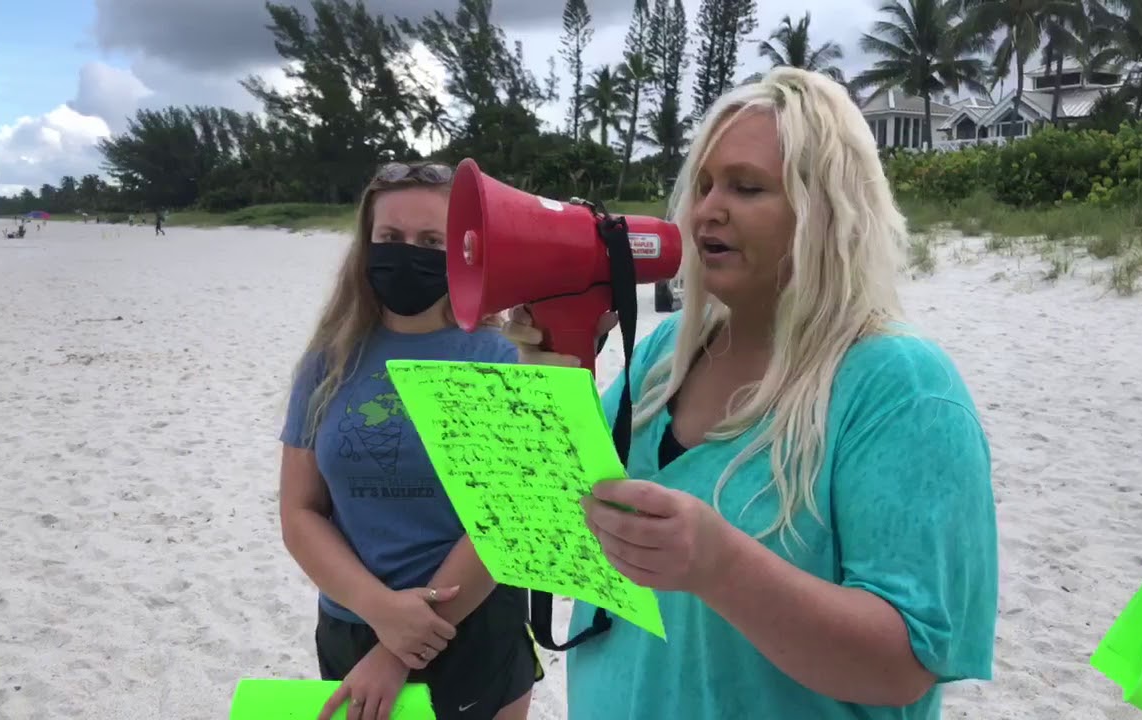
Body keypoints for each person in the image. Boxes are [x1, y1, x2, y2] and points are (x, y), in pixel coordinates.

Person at [502, 67, 998, 720]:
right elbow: (550, 533)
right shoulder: (666, 353)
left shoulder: (900, 387)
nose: (708, 207)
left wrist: (720, 566)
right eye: (703, 184)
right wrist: (549, 375)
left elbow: (908, 661)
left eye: (746, 186)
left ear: (826, 209)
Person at [279, 161, 541, 720]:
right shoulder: (328, 361)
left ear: (463, 252)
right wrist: (380, 613)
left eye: (431, 241)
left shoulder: (499, 360)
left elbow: (506, 523)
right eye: (391, 238)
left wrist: (401, 648)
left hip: (472, 626)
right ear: (366, 245)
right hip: (351, 623)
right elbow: (300, 511)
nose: (409, 254)